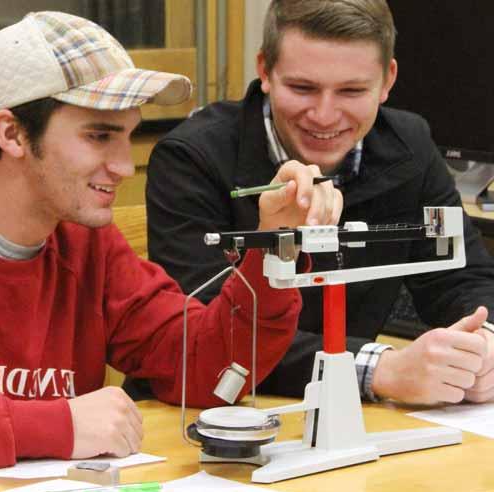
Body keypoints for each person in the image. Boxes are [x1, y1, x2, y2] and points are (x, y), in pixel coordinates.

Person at [0, 10, 330, 469]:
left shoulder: (88, 242)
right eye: (98, 136)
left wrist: (274, 244)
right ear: (11, 133)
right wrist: (54, 425)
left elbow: (208, 371)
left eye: (128, 136)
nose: (122, 165)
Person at [140, 0, 494, 407]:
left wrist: (482, 346)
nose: (325, 116)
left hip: (355, 416)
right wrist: (380, 369)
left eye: (352, 91)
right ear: (265, 71)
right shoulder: (191, 159)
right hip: (213, 414)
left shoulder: (410, 144)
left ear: (387, 80)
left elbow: (463, 279)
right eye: (303, 88)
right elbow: (206, 335)